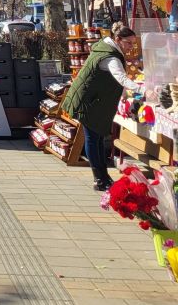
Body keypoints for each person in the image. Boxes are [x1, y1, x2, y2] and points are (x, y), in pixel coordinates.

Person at [62, 23, 146, 191]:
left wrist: (124, 93)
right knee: (93, 139)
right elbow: (121, 78)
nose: (131, 47)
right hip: (88, 102)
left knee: (97, 138)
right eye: (128, 43)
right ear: (118, 40)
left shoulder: (106, 49)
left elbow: (117, 81)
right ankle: (99, 179)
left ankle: (104, 177)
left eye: (133, 43)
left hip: (92, 100)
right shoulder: (110, 57)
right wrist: (143, 89)